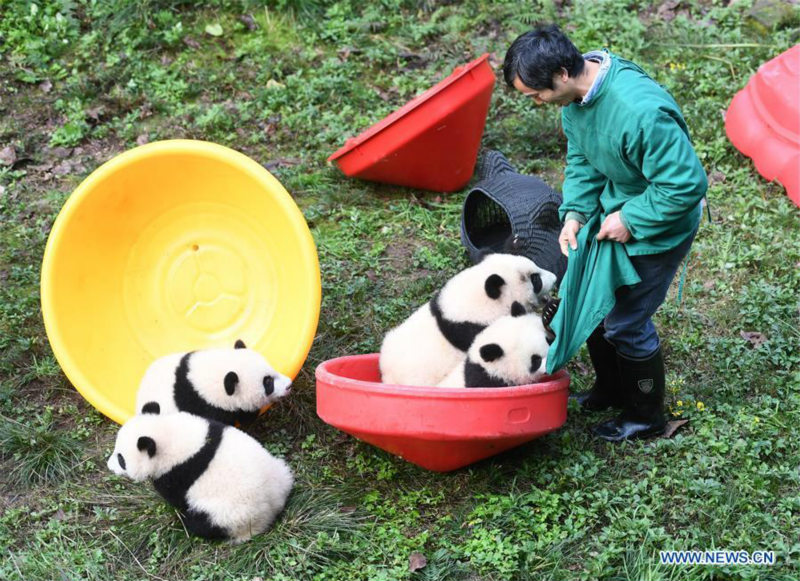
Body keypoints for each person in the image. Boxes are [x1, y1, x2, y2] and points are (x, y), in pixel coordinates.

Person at [503, 24, 707, 442]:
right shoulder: (575, 101)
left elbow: (685, 185)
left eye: (536, 94)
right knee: (596, 305)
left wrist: (630, 218)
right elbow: (582, 158)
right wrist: (576, 212)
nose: (537, 102)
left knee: (626, 323)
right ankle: (611, 389)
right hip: (615, 208)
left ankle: (645, 417)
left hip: (660, 221)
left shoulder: (641, 112)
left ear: (562, 72)